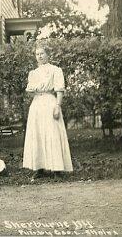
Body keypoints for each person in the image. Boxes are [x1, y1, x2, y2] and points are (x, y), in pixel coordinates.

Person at [23, 42, 73, 177]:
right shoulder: (33, 73)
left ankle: (57, 169)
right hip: (37, 104)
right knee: (38, 134)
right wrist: (31, 90)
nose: (39, 56)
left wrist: (57, 106)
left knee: (52, 134)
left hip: (50, 102)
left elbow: (59, 90)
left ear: (47, 55)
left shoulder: (55, 70)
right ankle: (39, 168)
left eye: (42, 54)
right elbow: (31, 92)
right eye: (37, 54)